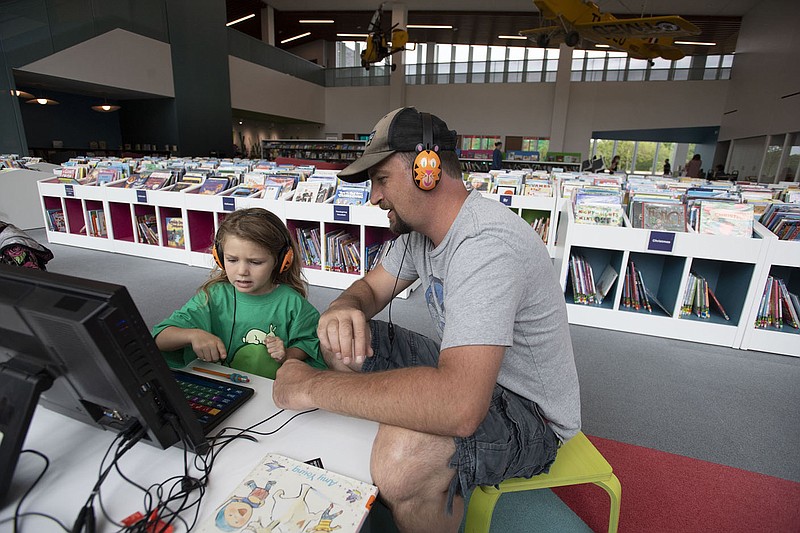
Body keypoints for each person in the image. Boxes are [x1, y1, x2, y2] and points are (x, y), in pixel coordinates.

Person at [272, 107, 581, 532]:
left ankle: (411, 479)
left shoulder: (485, 244)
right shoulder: (418, 233)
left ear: (427, 170)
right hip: (468, 372)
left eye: (381, 180)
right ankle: (402, 470)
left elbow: (458, 407)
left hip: (530, 413)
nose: (375, 197)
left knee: (403, 459)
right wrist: (346, 307)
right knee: (338, 338)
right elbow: (370, 289)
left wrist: (311, 387)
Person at [152, 207, 325, 379]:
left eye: (255, 262)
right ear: (219, 257)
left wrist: (287, 354)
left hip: (271, 394)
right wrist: (192, 335)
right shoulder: (214, 296)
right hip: (223, 387)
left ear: (281, 261)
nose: (242, 271)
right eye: (232, 260)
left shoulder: (292, 303)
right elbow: (159, 338)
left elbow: (311, 344)